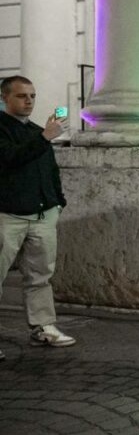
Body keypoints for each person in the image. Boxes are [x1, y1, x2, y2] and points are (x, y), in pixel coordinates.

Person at [0, 75, 77, 359]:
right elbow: (9, 159)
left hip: (43, 213)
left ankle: (43, 326)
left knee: (40, 275)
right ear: (4, 98)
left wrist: (58, 202)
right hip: (8, 214)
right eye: (21, 96)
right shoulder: (7, 130)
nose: (29, 101)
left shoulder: (36, 131)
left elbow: (50, 170)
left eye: (32, 96)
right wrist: (45, 137)